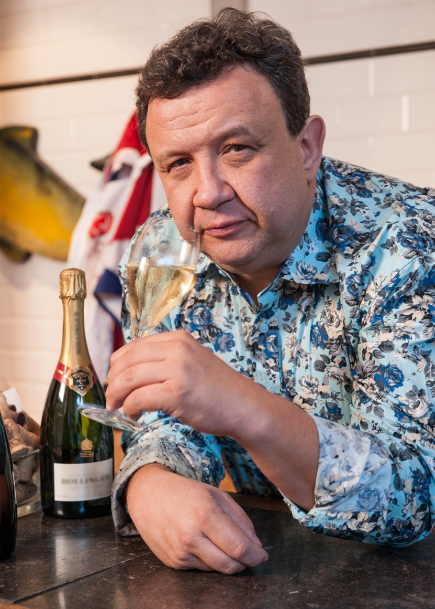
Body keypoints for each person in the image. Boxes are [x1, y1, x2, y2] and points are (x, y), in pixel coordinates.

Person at [106, 8, 435, 574]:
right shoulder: (161, 250)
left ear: (306, 146)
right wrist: (149, 483)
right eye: (179, 163)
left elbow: (417, 496)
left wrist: (241, 407)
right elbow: (163, 422)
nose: (207, 192)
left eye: (237, 148)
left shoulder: (410, 244)